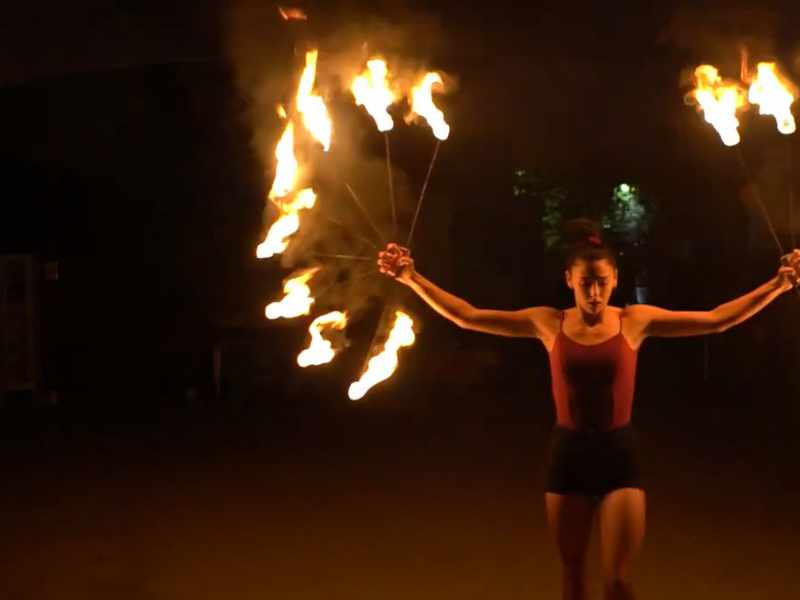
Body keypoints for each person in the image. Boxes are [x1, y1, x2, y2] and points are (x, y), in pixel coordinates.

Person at [376, 220, 800, 600]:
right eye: (585, 283)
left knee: (617, 581)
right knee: (574, 578)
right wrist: (412, 278)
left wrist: (778, 285)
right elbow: (468, 317)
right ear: (569, 280)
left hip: (619, 454)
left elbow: (715, 320)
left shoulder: (635, 320)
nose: (594, 293)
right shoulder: (548, 322)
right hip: (568, 456)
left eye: (601, 282)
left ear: (614, 279)